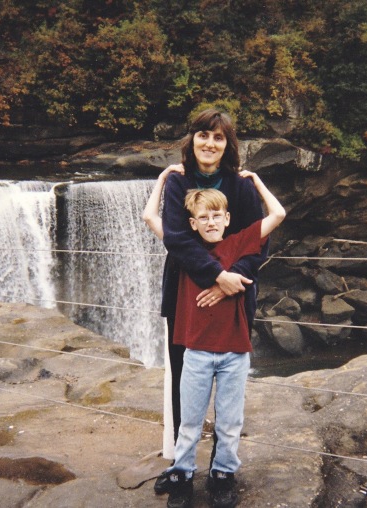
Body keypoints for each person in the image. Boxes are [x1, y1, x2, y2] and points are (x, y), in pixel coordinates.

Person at [144, 173, 285, 508]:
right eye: (202, 218)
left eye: (216, 216)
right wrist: (164, 178)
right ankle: (183, 475)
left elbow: (278, 215)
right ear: (192, 224)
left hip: (235, 353)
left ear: (227, 219)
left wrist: (256, 180)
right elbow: (150, 216)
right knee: (190, 422)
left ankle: (222, 474)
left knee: (230, 421)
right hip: (196, 353)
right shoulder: (185, 252)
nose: (210, 223)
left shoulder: (239, 243)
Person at [151, 109, 268, 498]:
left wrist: (228, 282)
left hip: (234, 295)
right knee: (185, 379)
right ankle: (183, 468)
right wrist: (215, 277)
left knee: (230, 394)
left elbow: (258, 242)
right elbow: (177, 239)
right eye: (203, 135)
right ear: (192, 140)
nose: (209, 144)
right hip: (186, 292)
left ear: (227, 145)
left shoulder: (241, 186)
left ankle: (222, 472)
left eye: (218, 138)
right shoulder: (177, 182)